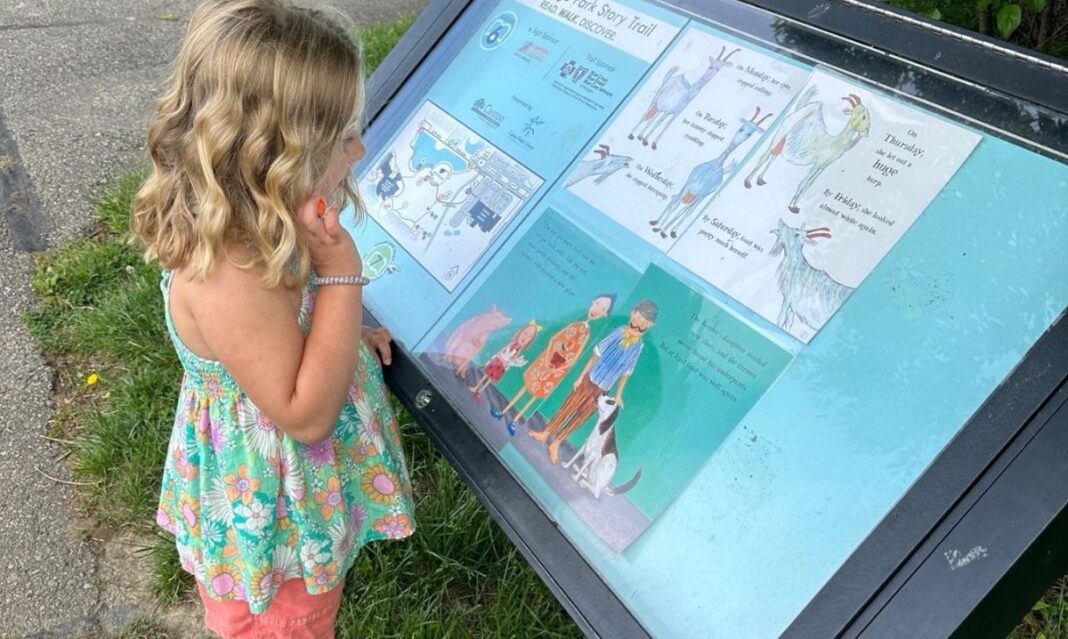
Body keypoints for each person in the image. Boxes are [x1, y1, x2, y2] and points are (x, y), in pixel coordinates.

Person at [130, 2, 415, 636]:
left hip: (284, 502)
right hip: (273, 528)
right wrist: (341, 277)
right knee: (292, 625)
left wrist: (338, 334)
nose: (360, 147)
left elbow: (284, 336)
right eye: (342, 136)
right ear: (274, 155)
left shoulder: (258, 224)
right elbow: (304, 411)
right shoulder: (228, 276)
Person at [530, 300, 658, 464]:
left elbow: (627, 371)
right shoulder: (619, 332)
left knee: (580, 417)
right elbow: (596, 353)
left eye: (645, 321)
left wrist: (618, 395)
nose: (640, 323)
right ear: (633, 314)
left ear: (649, 325)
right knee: (568, 407)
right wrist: (581, 376)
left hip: (603, 389)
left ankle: (556, 443)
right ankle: (545, 433)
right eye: (639, 316)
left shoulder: (638, 346)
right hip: (590, 379)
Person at [490, 294, 615, 433]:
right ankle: (503, 411)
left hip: (558, 368)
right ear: (592, 301)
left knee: (535, 394)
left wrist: (560, 365)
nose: (597, 309)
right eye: (597, 303)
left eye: (603, 309)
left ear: (604, 314)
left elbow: (576, 355)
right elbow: (556, 338)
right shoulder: (576, 323)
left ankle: (515, 420)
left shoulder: (588, 333)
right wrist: (550, 354)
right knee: (526, 386)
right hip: (547, 358)